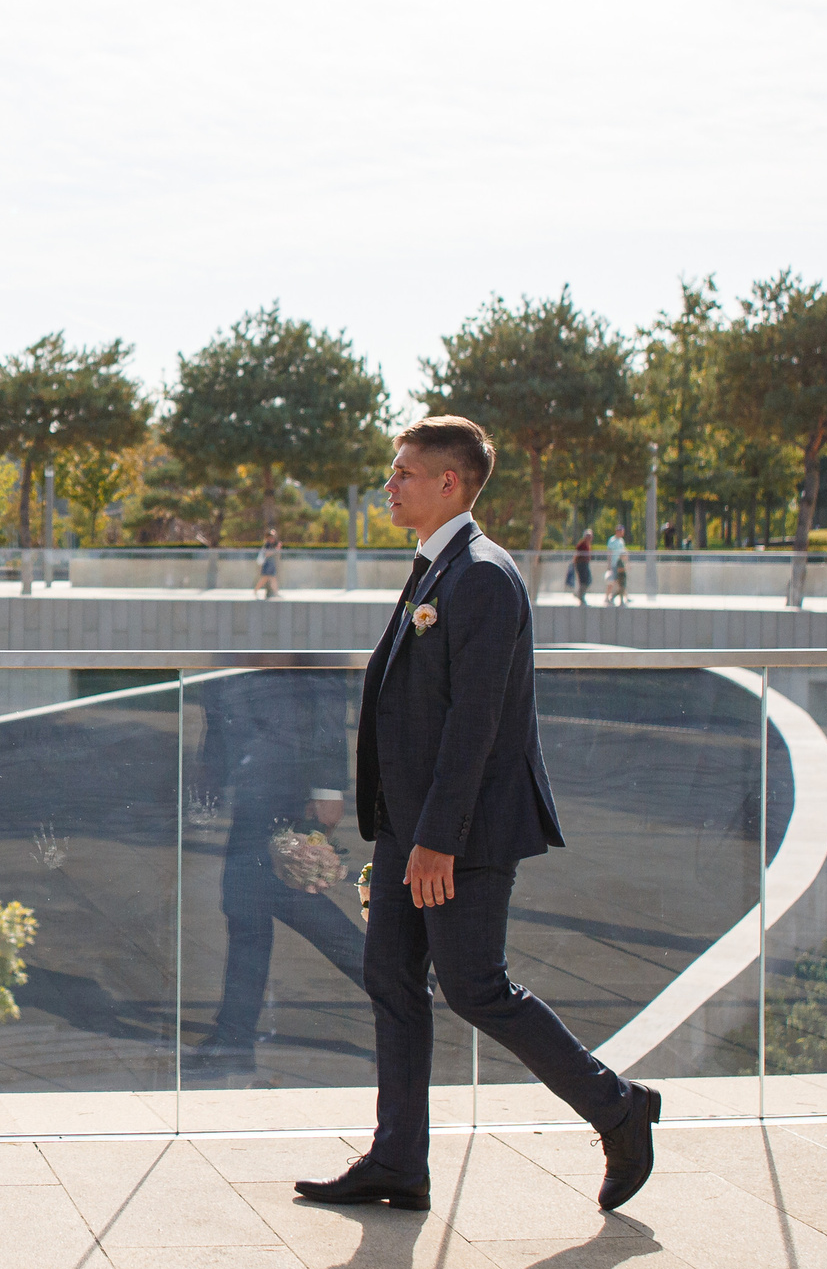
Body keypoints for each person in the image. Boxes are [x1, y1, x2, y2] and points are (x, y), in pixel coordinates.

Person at [297, 415, 658, 1215]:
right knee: (390, 975)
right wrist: (401, 829)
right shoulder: (435, 568)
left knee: (475, 986)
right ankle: (398, 1160)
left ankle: (619, 1108)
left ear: (449, 483)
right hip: (409, 827)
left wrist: (436, 841)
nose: (388, 485)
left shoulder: (484, 577)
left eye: (402, 473)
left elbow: (477, 724)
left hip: (455, 834)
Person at [186, 668, 361, 1075]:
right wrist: (210, 765)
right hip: (252, 778)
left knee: (264, 900)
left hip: (288, 777)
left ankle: (234, 1039)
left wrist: (327, 788)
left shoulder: (287, 614)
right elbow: (224, 682)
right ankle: (234, 1038)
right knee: (249, 907)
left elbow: (325, 687)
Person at [255, 530, 283, 600]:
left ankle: (276, 593)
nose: (273, 538)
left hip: (271, 564)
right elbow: (267, 554)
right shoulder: (267, 545)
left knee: (272, 578)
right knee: (265, 579)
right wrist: (276, 550)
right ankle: (255, 591)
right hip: (267, 564)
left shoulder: (272, 545)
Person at [605, 528, 629, 607]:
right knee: (612, 581)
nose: (622, 533)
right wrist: (609, 565)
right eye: (621, 532)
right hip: (614, 564)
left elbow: (623, 552)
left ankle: (625, 597)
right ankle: (607, 597)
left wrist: (626, 562)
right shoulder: (612, 540)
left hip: (620, 563)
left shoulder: (621, 540)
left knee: (622, 581)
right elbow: (609, 552)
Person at [571, 531, 594, 606]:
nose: (590, 538)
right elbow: (577, 554)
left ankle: (580, 594)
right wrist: (574, 564)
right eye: (588, 536)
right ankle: (581, 596)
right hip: (581, 564)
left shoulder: (588, 545)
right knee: (583, 581)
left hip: (585, 564)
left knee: (588, 580)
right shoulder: (581, 544)